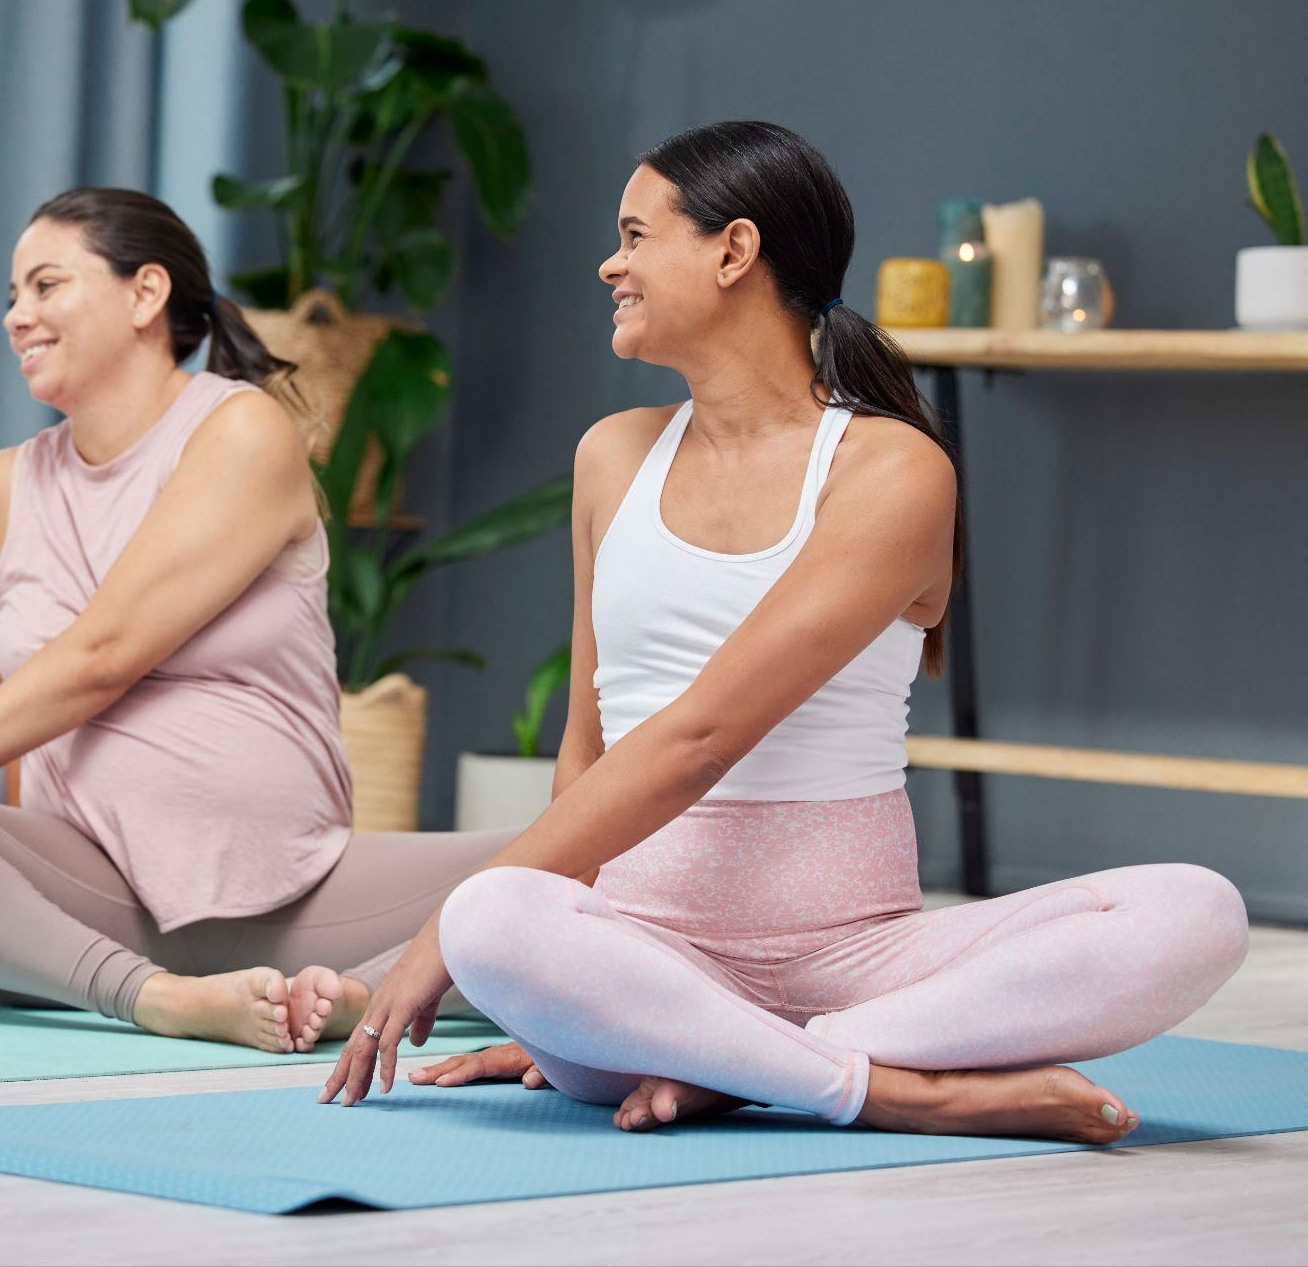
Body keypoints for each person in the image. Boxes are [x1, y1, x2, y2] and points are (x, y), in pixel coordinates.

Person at [319, 121, 1248, 1144]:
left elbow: (701, 737)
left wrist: (436, 940)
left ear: (733, 251)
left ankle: (740, 1064)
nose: (608, 263)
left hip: (859, 963)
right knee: (498, 919)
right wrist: (546, 991)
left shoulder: (891, 469)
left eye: (634, 235)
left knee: (1195, 911)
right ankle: (887, 1085)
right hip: (642, 961)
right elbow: (586, 738)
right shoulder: (612, 456)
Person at [0, 187, 519, 1051]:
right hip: (85, 897)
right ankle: (150, 995)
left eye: (46, 285)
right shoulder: (0, 487)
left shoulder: (242, 430)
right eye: (12, 295)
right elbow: (30, 718)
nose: (17, 316)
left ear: (146, 294)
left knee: (612, 855)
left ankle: (369, 991)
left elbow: (102, 655)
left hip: (294, 895)